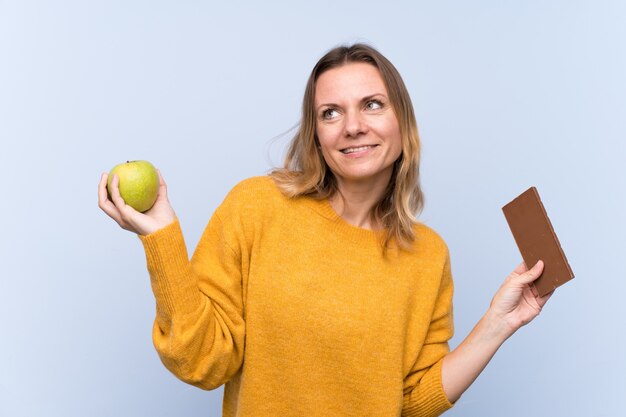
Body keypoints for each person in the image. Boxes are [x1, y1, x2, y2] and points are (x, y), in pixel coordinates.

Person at [98, 43, 552, 417]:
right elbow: (200, 360)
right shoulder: (257, 206)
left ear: (402, 124)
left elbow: (412, 400)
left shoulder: (427, 254)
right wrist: (161, 237)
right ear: (316, 134)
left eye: (372, 105)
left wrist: (499, 323)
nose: (353, 127)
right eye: (331, 113)